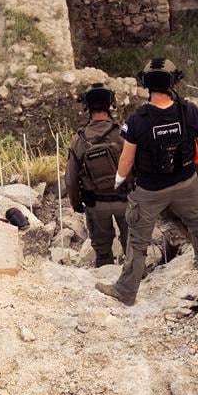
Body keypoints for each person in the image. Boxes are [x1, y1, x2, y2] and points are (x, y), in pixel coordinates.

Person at [95, 58, 198, 306]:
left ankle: (127, 291)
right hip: (186, 183)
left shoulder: (137, 119)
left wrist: (119, 181)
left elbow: (127, 159)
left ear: (146, 85)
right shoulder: (189, 110)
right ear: (173, 82)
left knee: (138, 240)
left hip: (150, 190)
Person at [63, 83, 129, 267]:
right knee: (133, 249)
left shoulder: (79, 140)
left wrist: (77, 203)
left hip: (96, 204)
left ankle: (105, 276)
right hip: (125, 200)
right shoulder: (123, 133)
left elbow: (70, 180)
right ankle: (137, 281)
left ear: (87, 107)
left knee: (102, 250)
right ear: (110, 104)